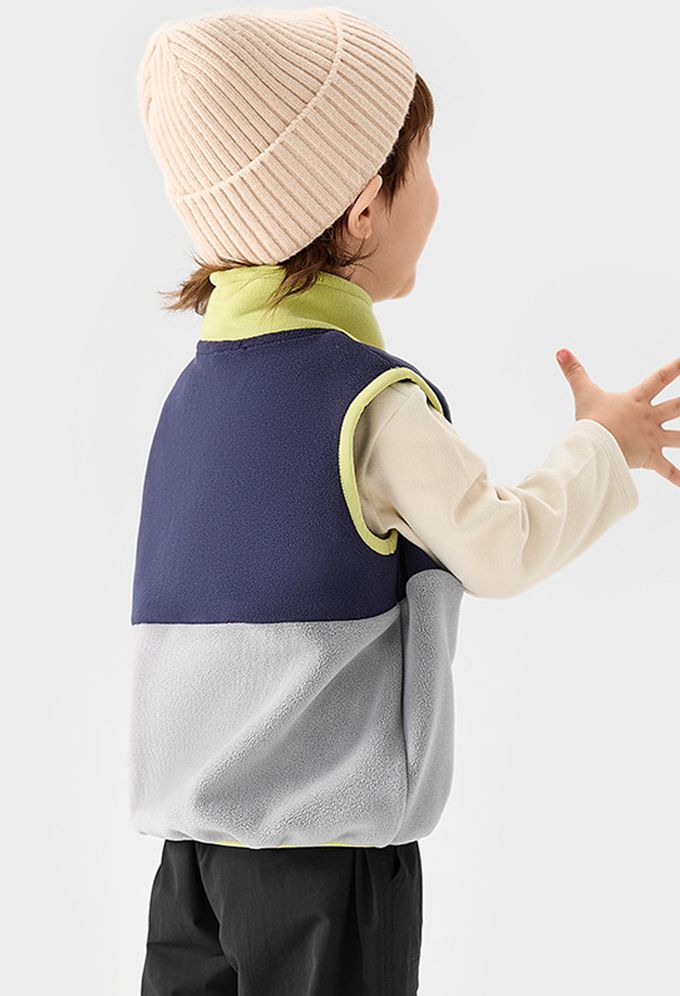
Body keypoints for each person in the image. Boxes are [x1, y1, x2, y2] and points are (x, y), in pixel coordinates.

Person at [129, 7, 680, 995]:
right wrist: (604, 445)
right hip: (326, 868)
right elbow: (500, 547)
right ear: (363, 210)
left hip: (187, 867)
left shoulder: (189, 400)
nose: (437, 192)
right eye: (421, 164)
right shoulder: (370, 406)